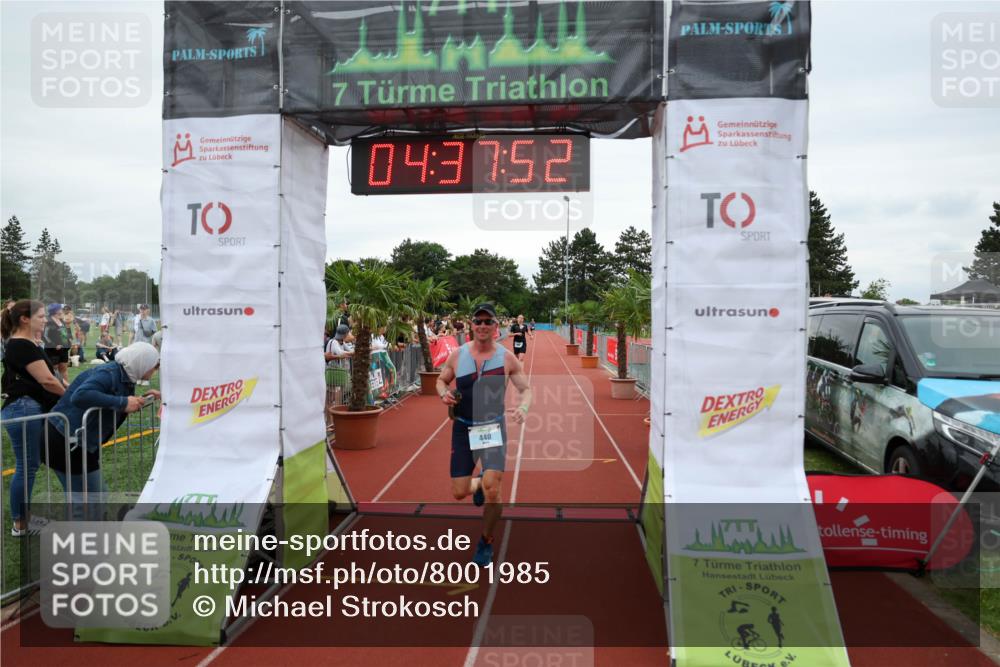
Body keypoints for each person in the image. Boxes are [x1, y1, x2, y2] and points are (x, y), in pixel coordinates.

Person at [437, 303, 532, 566]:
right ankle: (477, 483)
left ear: (495, 326)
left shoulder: (507, 358)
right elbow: (441, 380)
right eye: (478, 321)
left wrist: (523, 407)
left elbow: (526, 389)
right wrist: (443, 393)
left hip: (491, 428)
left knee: (493, 489)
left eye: (487, 321)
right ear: (471, 325)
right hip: (463, 426)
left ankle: (486, 541)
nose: (482, 326)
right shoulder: (458, 355)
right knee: (459, 492)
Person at [44, 343, 160, 508]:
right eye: (154, 367)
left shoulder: (124, 375)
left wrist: (140, 400)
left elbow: (113, 402)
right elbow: (80, 395)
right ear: (142, 362)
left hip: (74, 440)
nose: (154, 371)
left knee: (86, 499)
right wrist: (123, 402)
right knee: (91, 500)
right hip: (66, 440)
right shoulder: (109, 373)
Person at [1, 300, 66, 536]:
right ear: (25, 319)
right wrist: (71, 397)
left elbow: (52, 377)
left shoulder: (28, 343)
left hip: (28, 407)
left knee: (29, 465)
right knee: (27, 466)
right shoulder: (20, 344)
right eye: (40, 316)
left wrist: (67, 387)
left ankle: (23, 519)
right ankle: (20, 523)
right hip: (24, 408)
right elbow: (47, 380)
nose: (45, 319)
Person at [42, 303, 71, 382]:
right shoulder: (48, 321)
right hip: (52, 350)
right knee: (54, 370)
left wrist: (69, 341)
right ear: (55, 311)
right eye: (60, 309)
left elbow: (65, 332)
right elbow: (44, 336)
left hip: (64, 349)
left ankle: (66, 388)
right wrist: (54, 345)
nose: (62, 310)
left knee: (64, 369)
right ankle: (56, 387)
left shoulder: (62, 320)